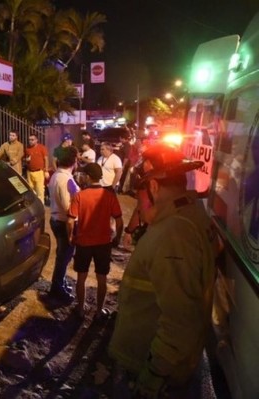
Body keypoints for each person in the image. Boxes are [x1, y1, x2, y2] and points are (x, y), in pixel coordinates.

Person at [108, 143, 220, 398]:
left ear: (154, 187)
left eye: (139, 197)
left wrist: (153, 376)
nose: (139, 206)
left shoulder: (174, 233)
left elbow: (180, 319)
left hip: (154, 372)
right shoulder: (189, 214)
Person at [67, 162, 123, 319]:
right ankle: (99, 311)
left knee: (81, 277)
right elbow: (119, 221)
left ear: (89, 177)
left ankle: (80, 309)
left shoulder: (80, 196)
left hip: (84, 242)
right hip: (103, 243)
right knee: (102, 278)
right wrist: (117, 238)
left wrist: (71, 236)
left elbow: (70, 221)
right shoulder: (109, 196)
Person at [46, 146, 80, 305]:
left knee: (63, 255)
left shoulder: (57, 176)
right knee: (64, 257)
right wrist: (72, 230)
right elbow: (69, 208)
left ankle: (59, 283)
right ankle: (57, 288)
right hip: (64, 222)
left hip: (57, 220)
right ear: (74, 161)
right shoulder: (65, 179)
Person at [25, 133, 50, 203]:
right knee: (31, 190)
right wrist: (26, 160)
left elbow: (46, 159)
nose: (30, 141)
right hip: (29, 172)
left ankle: (41, 205)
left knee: (40, 190)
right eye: (29, 140)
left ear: (36, 140)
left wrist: (46, 171)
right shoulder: (27, 149)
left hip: (39, 172)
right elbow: (26, 159)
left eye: (32, 140)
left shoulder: (42, 147)